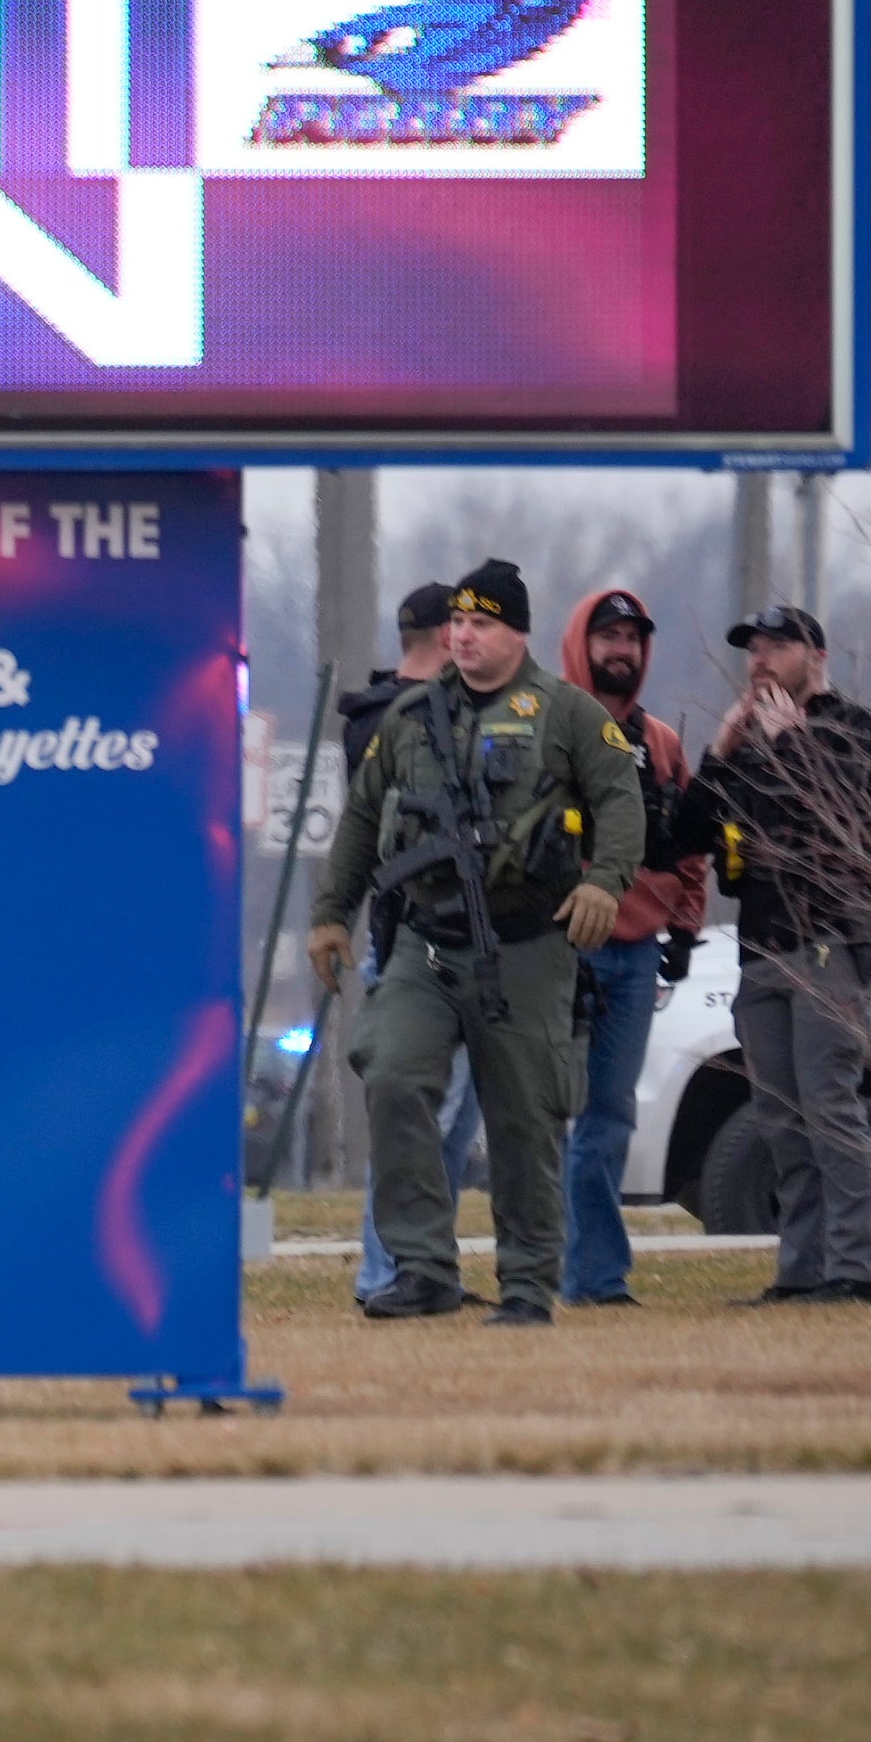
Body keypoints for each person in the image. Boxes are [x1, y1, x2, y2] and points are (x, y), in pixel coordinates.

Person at [312, 561, 644, 1328]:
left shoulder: (565, 712)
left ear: (517, 632)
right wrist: (333, 911)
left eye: (482, 623)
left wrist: (606, 882)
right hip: (426, 943)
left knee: (524, 1116)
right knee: (392, 1074)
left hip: (525, 945)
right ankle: (421, 1266)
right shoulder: (411, 716)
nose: (463, 635)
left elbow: (620, 800)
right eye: (457, 623)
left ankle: (528, 1282)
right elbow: (363, 818)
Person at [668, 604, 871, 1307]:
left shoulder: (855, 730)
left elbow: (851, 805)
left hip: (831, 942)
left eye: (777, 645)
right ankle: (802, 1271)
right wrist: (720, 751)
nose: (761, 658)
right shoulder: (750, 746)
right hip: (762, 948)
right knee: (781, 1118)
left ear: (815, 656)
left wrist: (790, 742)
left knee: (831, 1106)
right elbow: (680, 837)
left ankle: (857, 1271)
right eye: (754, 648)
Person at [553, 587, 707, 1308]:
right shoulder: (548, 726)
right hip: (558, 947)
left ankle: (598, 1277)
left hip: (638, 952)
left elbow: (689, 847)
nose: (622, 650)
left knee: (610, 1114)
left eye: (632, 639)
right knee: (549, 1110)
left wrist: (683, 925)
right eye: (608, 636)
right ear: (580, 643)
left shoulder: (662, 744)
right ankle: (542, 1266)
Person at [336, 585, 484, 1306]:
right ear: (442, 634)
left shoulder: (381, 713)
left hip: (449, 941)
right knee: (417, 1120)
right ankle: (390, 1270)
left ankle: (427, 1267)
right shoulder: (393, 720)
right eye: (462, 625)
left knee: (447, 1126)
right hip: (414, 945)